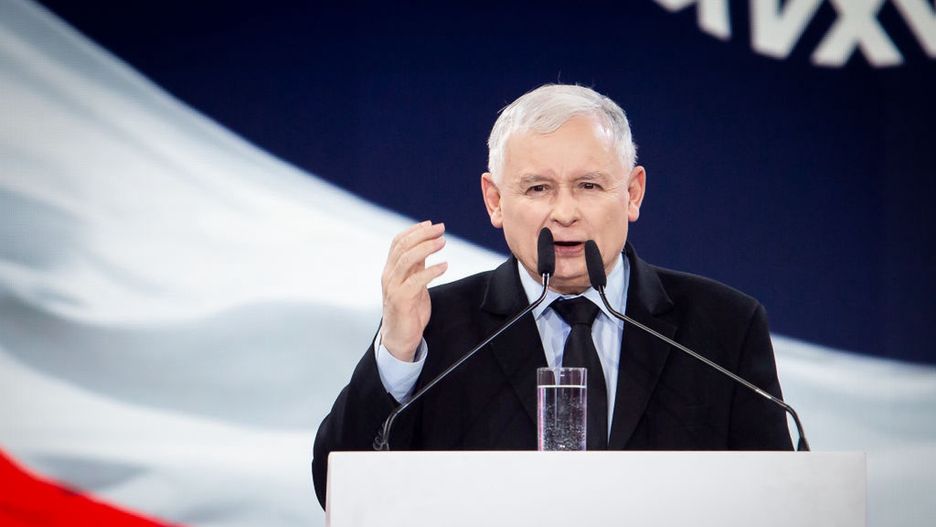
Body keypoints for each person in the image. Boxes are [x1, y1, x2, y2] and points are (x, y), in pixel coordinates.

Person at [311, 84, 792, 508]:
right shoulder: (436, 328)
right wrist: (397, 354)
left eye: (589, 185)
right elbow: (337, 490)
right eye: (538, 188)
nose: (564, 212)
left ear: (632, 193)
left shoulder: (724, 328)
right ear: (495, 201)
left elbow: (777, 500)